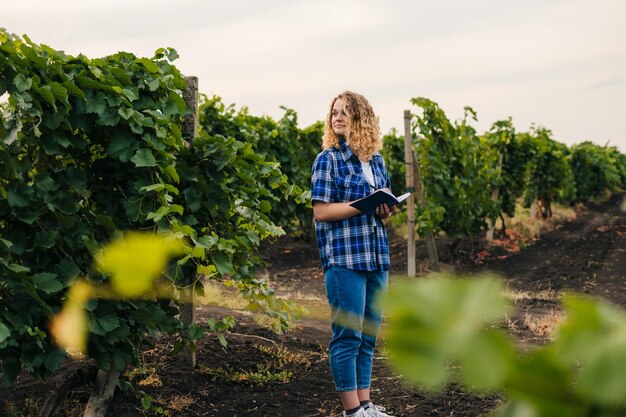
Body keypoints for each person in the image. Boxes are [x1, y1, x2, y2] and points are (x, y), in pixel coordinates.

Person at [310, 91, 395, 417]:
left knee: (369, 335)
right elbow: (321, 211)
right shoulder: (328, 159)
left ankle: (366, 404)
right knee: (348, 335)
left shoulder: (376, 161)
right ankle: (351, 411)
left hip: (376, 256)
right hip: (344, 258)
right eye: (334, 113)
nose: (338, 117)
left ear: (362, 118)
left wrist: (385, 209)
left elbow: (383, 213)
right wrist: (361, 205)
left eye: (346, 112)